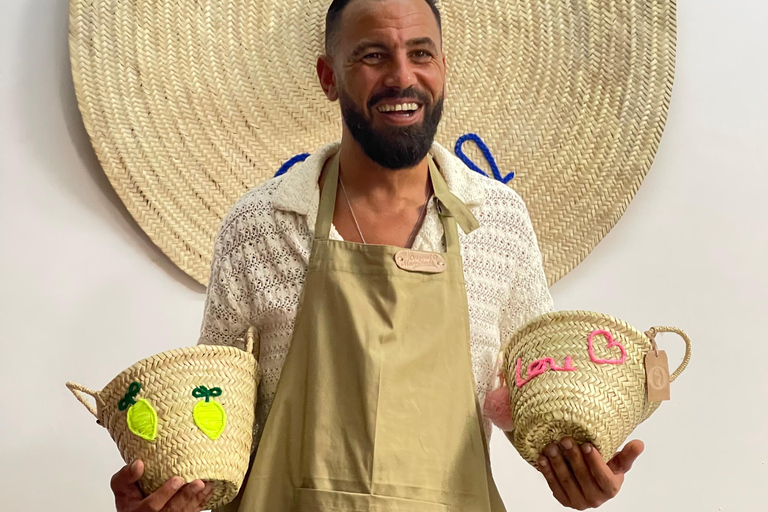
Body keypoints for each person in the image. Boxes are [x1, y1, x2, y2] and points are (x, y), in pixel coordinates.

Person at [109, 0, 644, 510]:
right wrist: (168, 488)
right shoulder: (260, 227)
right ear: (328, 77)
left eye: (421, 53)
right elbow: (213, 427)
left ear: (443, 67)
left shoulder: (496, 222)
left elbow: (540, 397)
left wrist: (576, 470)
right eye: (372, 55)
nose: (402, 77)